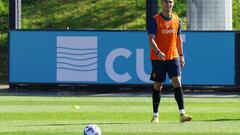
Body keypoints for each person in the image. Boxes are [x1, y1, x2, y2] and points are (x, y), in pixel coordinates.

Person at [148, 0, 192, 123]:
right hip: (158, 58)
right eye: (166, 2)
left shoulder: (177, 19)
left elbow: (178, 39)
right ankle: (155, 115)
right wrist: (158, 52)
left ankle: (182, 114)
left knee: (177, 81)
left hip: (173, 57)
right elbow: (151, 39)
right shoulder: (155, 20)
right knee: (158, 85)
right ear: (162, 3)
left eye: (171, 2)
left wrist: (181, 55)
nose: (169, 4)